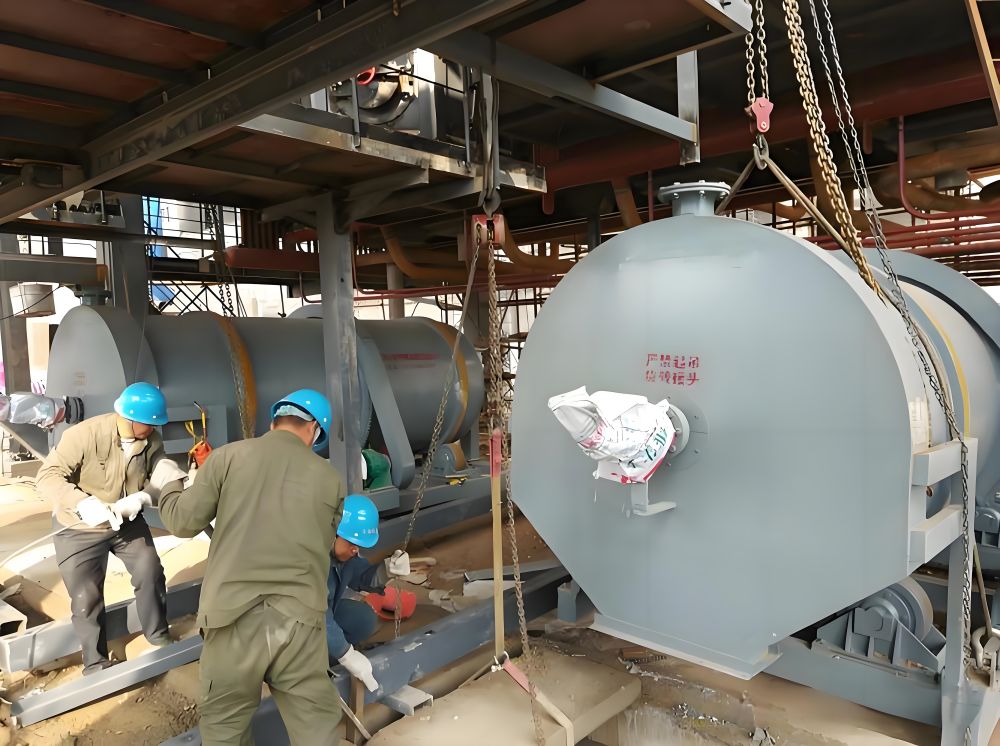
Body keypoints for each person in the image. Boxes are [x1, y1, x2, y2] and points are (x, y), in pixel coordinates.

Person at [158, 388, 347, 746]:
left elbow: (182, 522)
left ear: (274, 422)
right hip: (299, 622)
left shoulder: (227, 457)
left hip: (231, 617)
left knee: (226, 727)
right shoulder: (330, 479)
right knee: (315, 728)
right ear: (314, 431)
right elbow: (323, 546)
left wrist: (169, 485)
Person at [36, 382, 173, 676]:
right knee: (86, 596)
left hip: (125, 522)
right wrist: (82, 503)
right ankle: (96, 664)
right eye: (148, 424)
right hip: (79, 527)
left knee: (150, 571)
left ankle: (159, 636)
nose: (152, 429)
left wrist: (144, 496)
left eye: (154, 425)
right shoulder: (84, 435)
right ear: (128, 417)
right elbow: (47, 477)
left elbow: (161, 473)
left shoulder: (151, 440)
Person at [326, 494, 410, 685]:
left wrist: (386, 570)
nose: (355, 550)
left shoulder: (343, 554)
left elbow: (360, 574)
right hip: (293, 625)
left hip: (322, 612)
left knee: (362, 618)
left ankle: (329, 660)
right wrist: (346, 654)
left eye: (358, 546)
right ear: (334, 533)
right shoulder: (311, 560)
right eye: (352, 543)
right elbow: (318, 615)